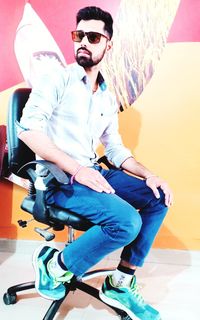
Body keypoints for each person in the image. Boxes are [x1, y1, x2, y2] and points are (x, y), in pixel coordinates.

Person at [18, 6, 173, 320]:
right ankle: (55, 265)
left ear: (108, 44)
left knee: (159, 197)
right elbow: (28, 131)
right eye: (78, 35)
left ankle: (121, 282)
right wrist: (78, 170)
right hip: (59, 177)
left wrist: (150, 174)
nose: (83, 42)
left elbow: (115, 149)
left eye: (93, 36)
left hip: (92, 170)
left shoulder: (105, 96)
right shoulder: (56, 80)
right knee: (127, 222)